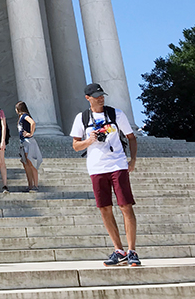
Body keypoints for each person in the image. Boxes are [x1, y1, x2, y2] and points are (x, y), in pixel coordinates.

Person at [71, 83, 140, 267]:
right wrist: (89, 140)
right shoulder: (82, 118)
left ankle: (132, 250)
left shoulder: (116, 114)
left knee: (125, 205)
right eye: (96, 96)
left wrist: (132, 160)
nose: (100, 98)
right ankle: (119, 249)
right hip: (96, 167)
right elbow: (75, 145)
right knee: (104, 208)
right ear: (88, 98)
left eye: (101, 95)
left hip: (117, 164)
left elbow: (131, 137)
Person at [16, 102, 42, 192]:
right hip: (23, 142)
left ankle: (35, 185)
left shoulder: (24, 116)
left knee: (31, 163)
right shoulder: (21, 118)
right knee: (26, 164)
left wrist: (30, 133)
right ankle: (30, 185)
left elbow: (33, 123)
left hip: (28, 142)